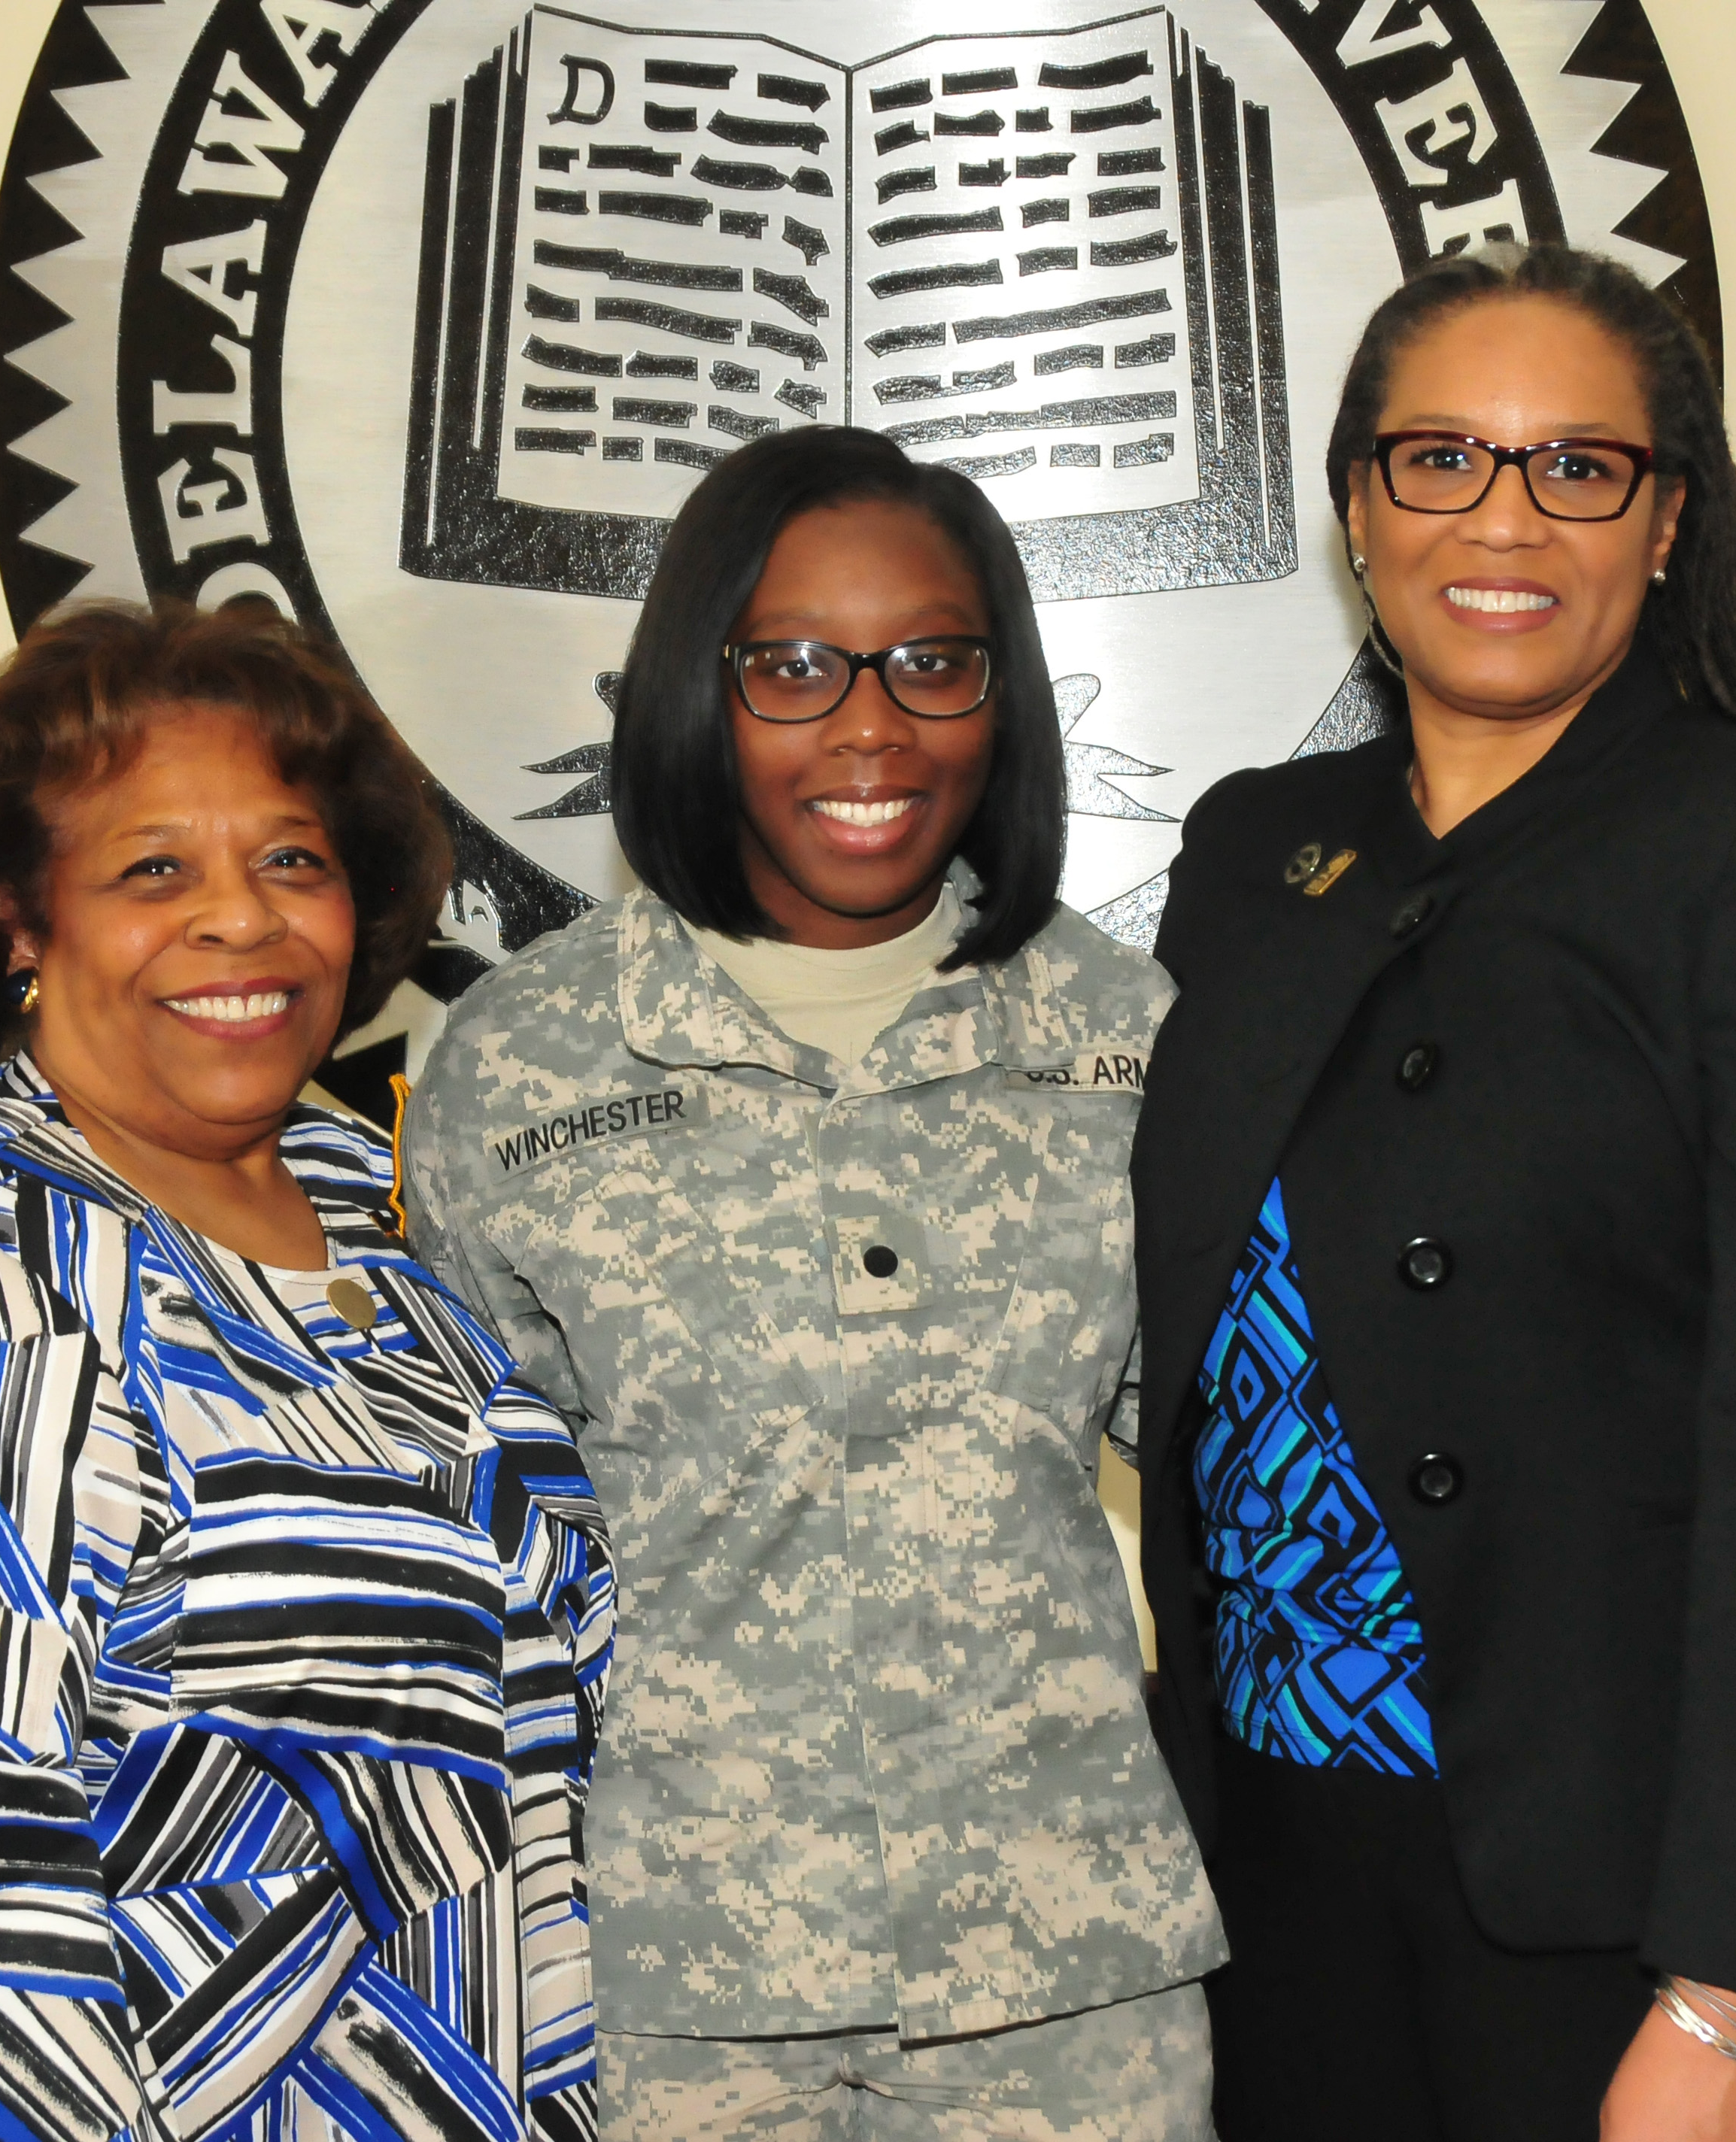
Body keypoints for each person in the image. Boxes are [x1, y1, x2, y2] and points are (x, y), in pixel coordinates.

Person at [1131, 243, 1736, 2140]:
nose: (1503, 517)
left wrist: (1734, 1991)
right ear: (1357, 504)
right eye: (1440, 457)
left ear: (1665, 515)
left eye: (1576, 466)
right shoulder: (1250, 854)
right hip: (1293, 1857)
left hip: (1665, 1889)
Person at [0, 601, 617, 2141]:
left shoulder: (388, 1218)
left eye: (291, 858)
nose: (241, 918)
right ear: (22, 921)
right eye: (152, 867)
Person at [404, 424, 1222, 2141]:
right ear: (696, 691)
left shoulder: (1133, 1042)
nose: (870, 725)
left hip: (1067, 1997)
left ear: (1001, 691)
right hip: (658, 2001)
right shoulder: (521, 1063)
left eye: (933, 660)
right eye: (791, 665)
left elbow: (1235, 1465)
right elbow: (472, 1553)